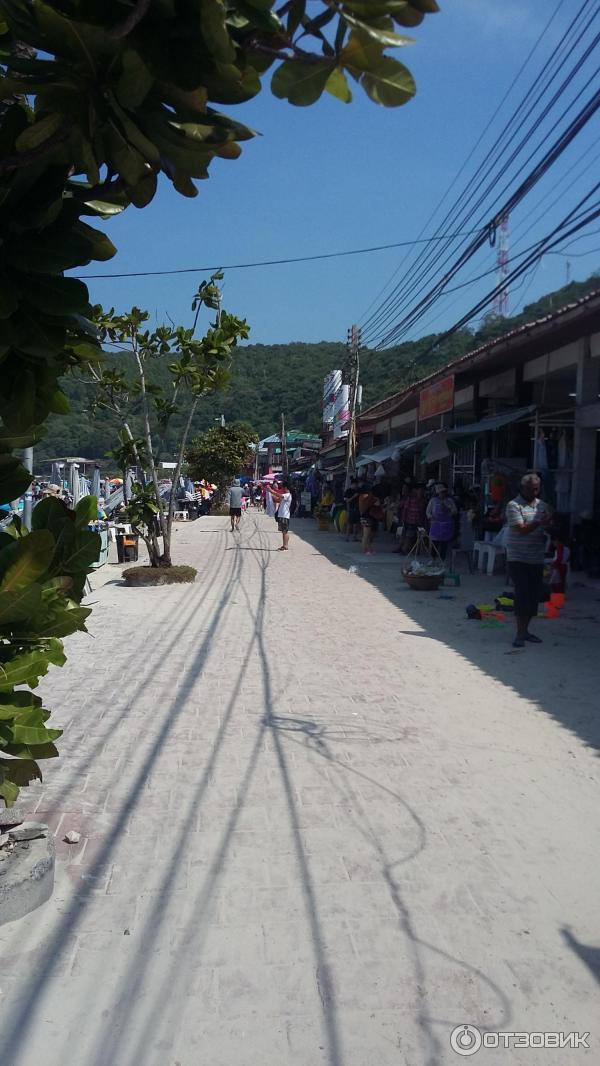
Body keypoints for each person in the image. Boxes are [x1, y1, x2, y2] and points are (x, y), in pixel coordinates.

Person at [506, 473, 553, 648]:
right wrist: (541, 522)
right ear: (522, 488)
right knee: (522, 594)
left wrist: (549, 524)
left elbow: (549, 526)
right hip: (518, 557)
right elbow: (522, 530)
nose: (534, 492)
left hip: (536, 557)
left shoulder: (543, 506)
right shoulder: (513, 505)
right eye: (530, 489)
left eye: (536, 489)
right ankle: (519, 633)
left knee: (533, 596)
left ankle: (525, 631)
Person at [426, 482, 457, 560]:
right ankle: (433, 559)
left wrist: (447, 509)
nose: (443, 494)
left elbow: (454, 511)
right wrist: (430, 517)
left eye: (444, 492)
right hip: (436, 525)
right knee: (434, 543)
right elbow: (428, 511)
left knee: (444, 544)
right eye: (441, 492)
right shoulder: (433, 501)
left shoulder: (449, 501)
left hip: (445, 526)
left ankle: (442, 560)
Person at [399, 483, 427, 554]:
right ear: (416, 490)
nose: (421, 492)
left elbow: (423, 512)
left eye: (422, 491)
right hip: (409, 519)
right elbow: (405, 508)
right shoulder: (411, 498)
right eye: (419, 490)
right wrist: (403, 518)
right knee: (407, 534)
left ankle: (407, 549)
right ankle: (403, 549)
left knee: (412, 535)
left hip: (417, 521)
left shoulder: (423, 500)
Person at [268, 479, 293, 551]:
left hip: (285, 515)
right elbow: (278, 499)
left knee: (285, 531)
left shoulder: (287, 495)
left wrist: (272, 491)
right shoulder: (285, 495)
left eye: (282, 487)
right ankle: (284, 545)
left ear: (285, 487)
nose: (282, 488)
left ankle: (286, 546)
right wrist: (272, 495)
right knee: (283, 531)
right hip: (282, 515)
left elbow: (280, 496)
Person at [358, 484, 383, 555]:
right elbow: (377, 504)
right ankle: (365, 549)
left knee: (366, 535)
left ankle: (368, 549)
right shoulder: (370, 498)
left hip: (363, 517)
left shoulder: (361, 496)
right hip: (367, 517)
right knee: (366, 535)